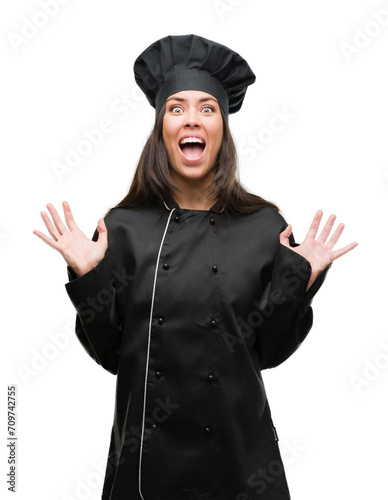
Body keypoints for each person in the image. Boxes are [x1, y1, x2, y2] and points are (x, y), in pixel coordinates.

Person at [33, 34, 358, 500]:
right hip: (145, 469)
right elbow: (111, 356)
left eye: (208, 108)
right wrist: (90, 279)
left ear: (222, 129)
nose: (192, 119)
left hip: (242, 465)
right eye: (177, 107)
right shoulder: (121, 227)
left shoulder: (264, 226)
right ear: (162, 127)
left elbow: (267, 350)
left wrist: (298, 280)